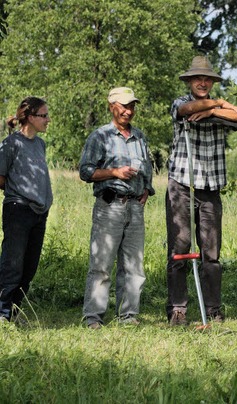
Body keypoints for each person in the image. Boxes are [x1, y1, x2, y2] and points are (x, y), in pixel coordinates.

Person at [166, 56, 237, 326]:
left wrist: (214, 110)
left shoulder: (215, 107)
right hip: (182, 185)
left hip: (210, 187)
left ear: (212, 82)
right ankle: (178, 308)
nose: (202, 82)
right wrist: (216, 104)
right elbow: (187, 110)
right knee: (180, 248)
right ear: (190, 81)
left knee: (211, 253)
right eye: (197, 79)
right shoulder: (180, 102)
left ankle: (212, 308)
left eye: (207, 79)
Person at [79, 87, 155, 329]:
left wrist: (147, 189)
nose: (128, 110)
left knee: (134, 266)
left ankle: (128, 315)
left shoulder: (140, 137)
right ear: (112, 106)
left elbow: (148, 169)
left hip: (134, 207)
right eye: (123, 105)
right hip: (109, 205)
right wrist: (114, 172)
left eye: (131, 105)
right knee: (101, 265)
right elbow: (85, 171)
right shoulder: (100, 136)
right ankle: (93, 317)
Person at [0, 97, 53, 323]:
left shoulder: (40, 144)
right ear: (31, 118)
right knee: (12, 263)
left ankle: (14, 309)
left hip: (39, 213)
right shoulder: (12, 143)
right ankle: (2, 312)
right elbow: (1, 177)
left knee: (29, 266)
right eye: (44, 115)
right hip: (18, 210)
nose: (48, 120)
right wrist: (19, 192)